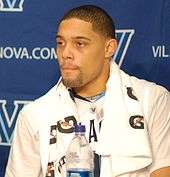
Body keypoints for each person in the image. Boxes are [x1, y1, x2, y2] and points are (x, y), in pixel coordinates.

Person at [5, 5, 170, 177]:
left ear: (109, 48)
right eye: (60, 43)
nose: (65, 53)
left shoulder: (153, 99)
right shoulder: (34, 116)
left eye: (79, 43)